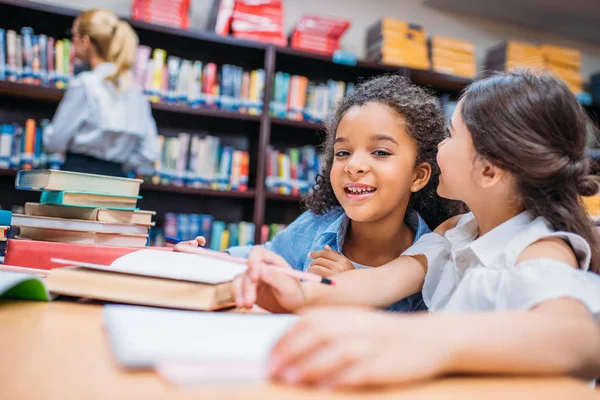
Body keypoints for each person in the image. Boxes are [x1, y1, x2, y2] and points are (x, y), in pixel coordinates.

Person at [234, 70, 600, 387]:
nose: (438, 147)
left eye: (451, 135)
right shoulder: (456, 230)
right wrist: (299, 294)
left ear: (489, 170)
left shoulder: (541, 248)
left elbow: (581, 339)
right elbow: (379, 283)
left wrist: (418, 338)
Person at [176, 74, 461, 312]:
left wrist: (349, 291)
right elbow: (260, 257)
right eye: (343, 152)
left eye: (380, 152)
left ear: (418, 175)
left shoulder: (432, 259)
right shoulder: (314, 227)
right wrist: (205, 257)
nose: (354, 166)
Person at [44, 9, 159, 177]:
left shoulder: (85, 84)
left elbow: (55, 143)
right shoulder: (136, 91)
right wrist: (119, 166)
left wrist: (48, 132)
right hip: (117, 182)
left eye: (73, 36)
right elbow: (150, 152)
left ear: (86, 41)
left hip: (76, 178)